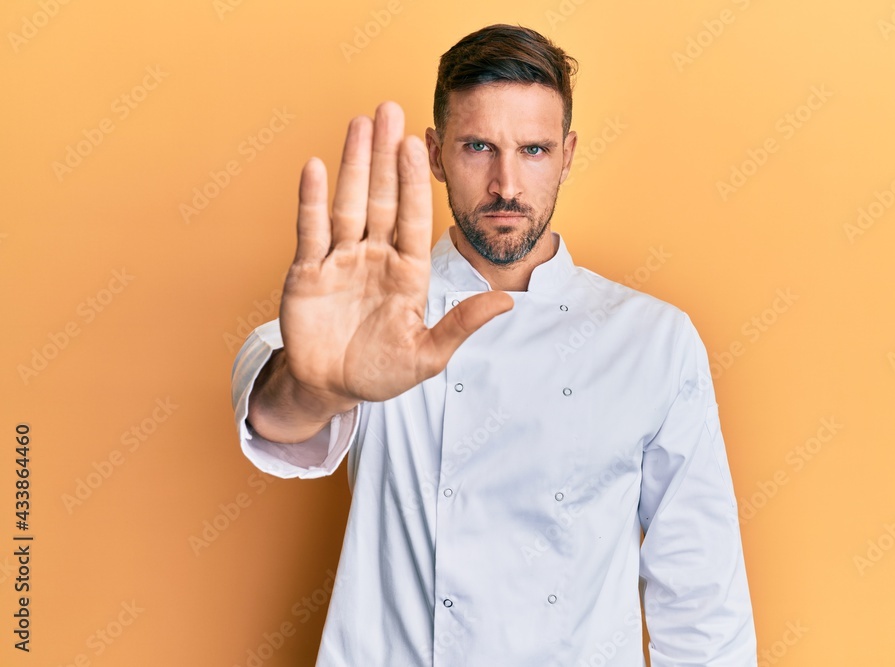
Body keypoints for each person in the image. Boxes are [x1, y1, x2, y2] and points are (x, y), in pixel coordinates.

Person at [231, 23, 756, 666]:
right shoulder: (369, 318)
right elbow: (276, 423)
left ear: (567, 153)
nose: (506, 184)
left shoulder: (652, 340)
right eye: (478, 146)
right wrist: (318, 385)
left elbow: (701, 594)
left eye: (533, 150)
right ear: (434, 153)